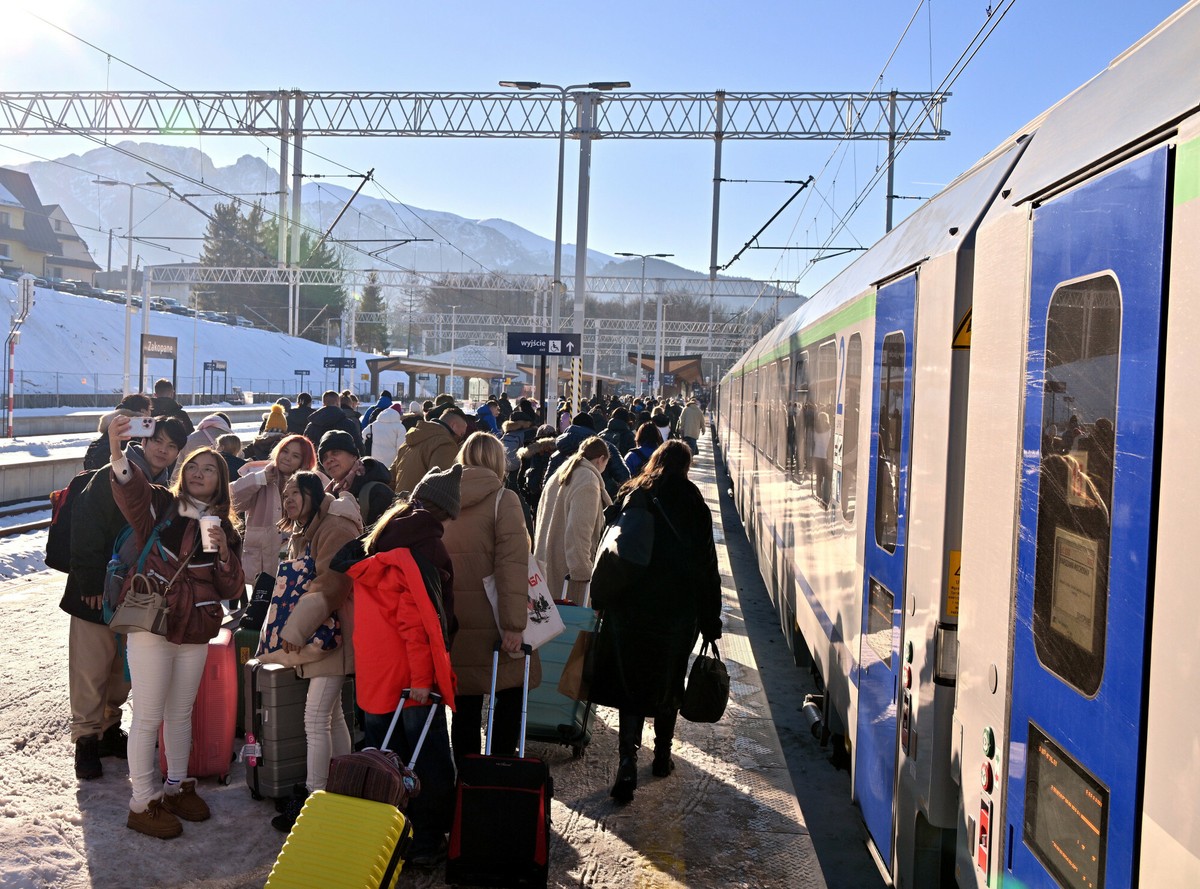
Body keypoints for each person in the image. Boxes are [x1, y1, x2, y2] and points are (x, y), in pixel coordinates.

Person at [106, 416, 245, 838]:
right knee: (148, 716)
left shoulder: (224, 527)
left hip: (197, 628)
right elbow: (130, 490)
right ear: (184, 475)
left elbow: (231, 586)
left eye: (210, 469)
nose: (200, 474)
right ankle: (142, 802)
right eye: (194, 468)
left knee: (180, 712)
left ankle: (176, 786)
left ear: (220, 482)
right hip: (154, 622)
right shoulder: (163, 507)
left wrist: (223, 554)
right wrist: (116, 449)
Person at [337, 464, 462, 867]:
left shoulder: (378, 542)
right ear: (442, 513)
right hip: (411, 681)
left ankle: (386, 836)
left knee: (383, 763)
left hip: (375, 678)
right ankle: (425, 839)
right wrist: (424, 681)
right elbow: (417, 626)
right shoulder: (422, 552)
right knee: (426, 763)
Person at [589, 441, 722, 804]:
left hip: (630, 608)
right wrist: (712, 620)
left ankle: (627, 763)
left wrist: (600, 599)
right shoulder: (694, 501)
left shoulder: (633, 492)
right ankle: (662, 758)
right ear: (686, 466)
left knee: (630, 685)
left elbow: (611, 549)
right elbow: (707, 567)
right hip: (677, 613)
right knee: (669, 680)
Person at [61, 416, 189, 781]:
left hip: (135, 596)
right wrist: (88, 581)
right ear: (144, 442)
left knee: (122, 668)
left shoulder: (166, 488)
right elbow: (86, 527)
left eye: (172, 446)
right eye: (158, 442)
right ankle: (85, 738)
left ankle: (108, 729)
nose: (163, 450)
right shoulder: (113, 473)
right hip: (96, 589)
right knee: (91, 667)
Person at [258, 471, 364, 832]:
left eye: (296, 493)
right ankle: (344, 790)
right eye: (285, 493)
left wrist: (296, 627)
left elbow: (332, 582)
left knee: (315, 718)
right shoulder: (306, 528)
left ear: (315, 494)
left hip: (332, 632)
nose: (288, 500)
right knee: (332, 717)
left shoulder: (333, 526)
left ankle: (315, 800)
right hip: (325, 634)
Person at [442, 433, 539, 768]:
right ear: (499, 462)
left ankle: (467, 781)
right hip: (496, 618)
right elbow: (512, 566)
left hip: (454, 618)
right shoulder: (504, 499)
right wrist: (515, 625)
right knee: (509, 695)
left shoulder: (442, 498)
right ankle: (498, 774)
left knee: (465, 707)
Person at [532, 436, 611, 605]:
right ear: (601, 459)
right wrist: (584, 575)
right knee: (573, 628)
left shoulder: (560, 474)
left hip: (546, 571)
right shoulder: (588, 480)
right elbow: (579, 533)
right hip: (569, 581)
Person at [231, 433, 319, 583]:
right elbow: (232, 498)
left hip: (293, 556)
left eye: (295, 456)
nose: (287, 458)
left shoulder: (311, 484)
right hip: (260, 558)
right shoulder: (259, 476)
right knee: (261, 601)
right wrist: (259, 479)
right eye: (285, 451)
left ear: (303, 462)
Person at [319, 429, 395, 529]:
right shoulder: (329, 495)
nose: (329, 460)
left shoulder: (376, 491)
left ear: (354, 456)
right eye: (324, 457)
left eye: (335, 452)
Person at [391, 405, 470, 496]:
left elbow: (391, 477)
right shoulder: (445, 445)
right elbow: (441, 485)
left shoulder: (409, 440)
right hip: (423, 507)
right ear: (453, 426)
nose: (461, 438)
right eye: (462, 434)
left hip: (401, 506)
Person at [84, 394, 152, 471]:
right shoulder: (137, 441)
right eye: (150, 409)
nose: (151, 413)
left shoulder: (101, 439)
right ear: (143, 411)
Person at [363, 402, 407, 468]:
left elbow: (364, 434)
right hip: (391, 463)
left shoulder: (374, 424)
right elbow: (401, 447)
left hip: (375, 460)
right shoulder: (400, 427)